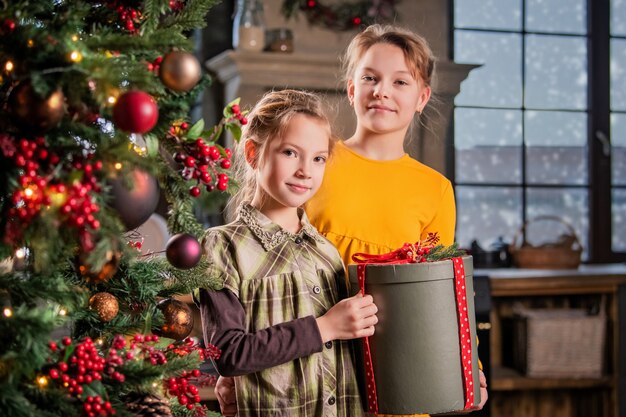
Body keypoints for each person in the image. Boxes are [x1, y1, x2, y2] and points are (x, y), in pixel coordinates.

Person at [214, 25, 488, 416]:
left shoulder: (435, 190)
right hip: (311, 369)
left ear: (423, 97)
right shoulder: (315, 165)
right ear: (351, 88)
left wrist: (467, 367)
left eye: (400, 82)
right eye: (370, 78)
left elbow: (443, 293)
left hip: (398, 367)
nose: (382, 91)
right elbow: (262, 264)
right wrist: (236, 372)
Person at [197, 89, 378, 417]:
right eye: (291, 153)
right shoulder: (222, 247)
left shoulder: (326, 252)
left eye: (318, 158)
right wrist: (324, 327)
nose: (306, 171)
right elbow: (228, 353)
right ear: (253, 153)